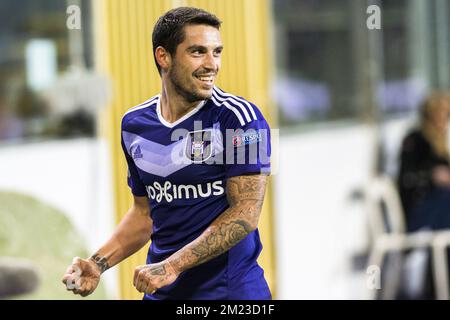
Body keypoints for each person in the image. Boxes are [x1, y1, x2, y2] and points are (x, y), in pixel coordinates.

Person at [62, 7, 272, 300]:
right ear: (164, 57)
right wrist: (98, 262)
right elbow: (145, 213)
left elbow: (246, 213)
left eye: (217, 52)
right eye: (198, 52)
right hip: (162, 292)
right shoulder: (134, 124)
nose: (212, 64)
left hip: (229, 294)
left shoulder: (240, 119)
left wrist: (173, 265)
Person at [397, 91, 450, 232]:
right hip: (418, 212)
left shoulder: (442, 143)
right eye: (439, 114)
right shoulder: (415, 140)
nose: (443, 120)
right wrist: (432, 176)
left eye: (446, 114)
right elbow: (406, 179)